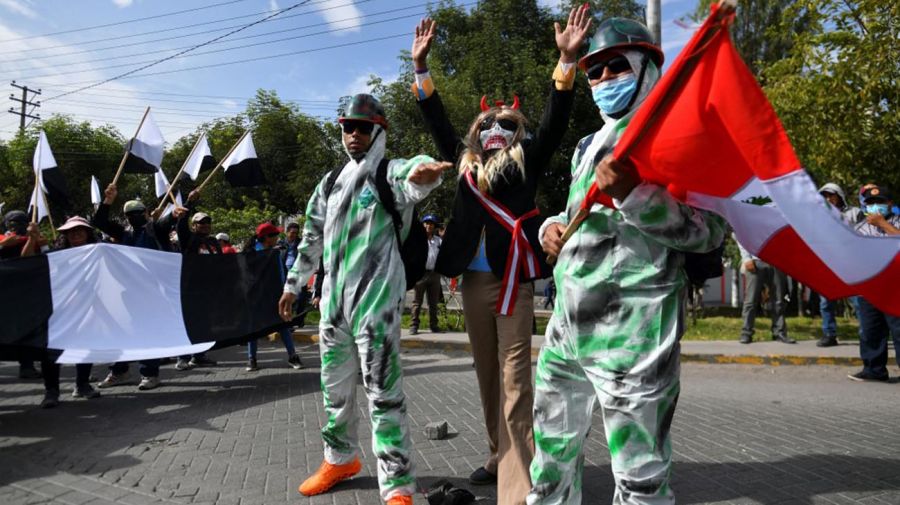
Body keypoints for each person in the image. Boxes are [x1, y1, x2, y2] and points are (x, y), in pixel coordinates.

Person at [529, 17, 726, 504]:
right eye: (593, 72)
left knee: (639, 475)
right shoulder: (585, 146)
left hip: (635, 329)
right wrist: (549, 228)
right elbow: (574, 211)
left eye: (616, 67)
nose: (601, 81)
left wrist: (634, 195)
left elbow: (709, 231)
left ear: (646, 68)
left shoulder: (679, 139)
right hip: (567, 325)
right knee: (550, 457)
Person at [411, 8, 589, 499]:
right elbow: (437, 119)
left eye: (504, 122)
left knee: (516, 382)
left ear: (516, 131)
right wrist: (422, 69)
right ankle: (497, 453)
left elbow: (555, 123)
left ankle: (518, 485)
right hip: (472, 283)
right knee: (487, 376)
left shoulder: (527, 160)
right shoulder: (466, 163)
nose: (494, 126)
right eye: (488, 121)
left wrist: (565, 62)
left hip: (514, 284)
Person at [277, 93, 449, 505]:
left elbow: (413, 174)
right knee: (333, 390)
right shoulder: (330, 181)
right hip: (333, 307)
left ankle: (397, 485)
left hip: (375, 305)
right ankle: (339, 459)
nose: (353, 134)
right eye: (347, 127)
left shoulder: (388, 173)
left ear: (378, 132)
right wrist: (293, 283)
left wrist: (424, 173)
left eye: (362, 127)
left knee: (383, 394)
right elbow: (311, 236)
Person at [92, 183, 174, 391]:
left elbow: (166, 223)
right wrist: (107, 201)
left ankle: (149, 374)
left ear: (146, 213)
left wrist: (178, 213)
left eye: (137, 213)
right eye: (129, 214)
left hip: (152, 291)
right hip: (126, 290)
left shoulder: (155, 230)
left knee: (148, 331)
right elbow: (99, 221)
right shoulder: (124, 232)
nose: (133, 217)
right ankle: (119, 371)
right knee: (121, 329)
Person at [21, 217, 101, 407]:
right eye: (71, 231)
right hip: (57, 309)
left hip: (86, 308)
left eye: (80, 229)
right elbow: (26, 260)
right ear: (65, 235)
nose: (76, 233)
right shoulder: (57, 254)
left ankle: (82, 384)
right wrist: (32, 239)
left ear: (88, 232)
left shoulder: (98, 252)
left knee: (85, 348)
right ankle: (51, 391)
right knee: (51, 351)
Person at [848, 185, 900, 382]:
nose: (875, 207)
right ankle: (874, 369)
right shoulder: (859, 229)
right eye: (870, 203)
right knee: (871, 330)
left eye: (880, 202)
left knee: (899, 330)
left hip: (896, 286)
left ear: (890, 204)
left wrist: (884, 225)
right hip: (871, 287)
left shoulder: (897, 222)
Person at [173, 196, 220, 371]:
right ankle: (182, 357)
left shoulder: (214, 242)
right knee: (189, 324)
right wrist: (189, 203)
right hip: (191, 289)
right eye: (201, 223)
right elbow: (180, 225)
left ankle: (199, 356)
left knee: (205, 324)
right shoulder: (189, 240)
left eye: (208, 222)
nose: (205, 225)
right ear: (194, 226)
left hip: (209, 290)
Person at [248, 222, 303, 371]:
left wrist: (287, 291)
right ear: (266, 237)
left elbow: (281, 274)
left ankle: (292, 356)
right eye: (275, 234)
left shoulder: (275, 252)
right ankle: (251, 359)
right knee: (253, 329)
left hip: (276, 295)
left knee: (283, 325)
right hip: (258, 298)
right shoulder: (252, 253)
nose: (278, 237)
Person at [816, 183, 863, 347]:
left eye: (831, 195)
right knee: (825, 302)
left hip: (851, 265)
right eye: (825, 196)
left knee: (858, 302)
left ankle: (866, 334)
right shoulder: (818, 215)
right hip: (829, 264)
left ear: (839, 195)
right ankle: (829, 334)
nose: (829, 199)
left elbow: (863, 234)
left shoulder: (854, 213)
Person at [1, 210, 44, 380]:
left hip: (26, 293)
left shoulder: (31, 240)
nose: (15, 226)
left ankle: (27, 365)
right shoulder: (2, 240)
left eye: (19, 222)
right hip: (5, 291)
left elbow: (30, 259)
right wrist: (4, 245)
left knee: (26, 330)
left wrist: (34, 240)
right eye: (12, 223)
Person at [737, 240, 794, 344]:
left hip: (777, 260)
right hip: (755, 261)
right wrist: (746, 258)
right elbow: (741, 236)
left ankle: (779, 332)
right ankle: (746, 333)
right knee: (750, 300)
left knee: (778, 300)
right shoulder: (752, 223)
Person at [410, 214, 443, 335]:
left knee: (433, 302)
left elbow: (442, 256)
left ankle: (434, 325)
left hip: (434, 274)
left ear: (434, 227)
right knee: (417, 302)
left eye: (431, 224)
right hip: (421, 273)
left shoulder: (438, 241)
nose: (429, 226)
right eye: (427, 223)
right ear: (423, 225)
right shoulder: (418, 240)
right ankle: (414, 325)